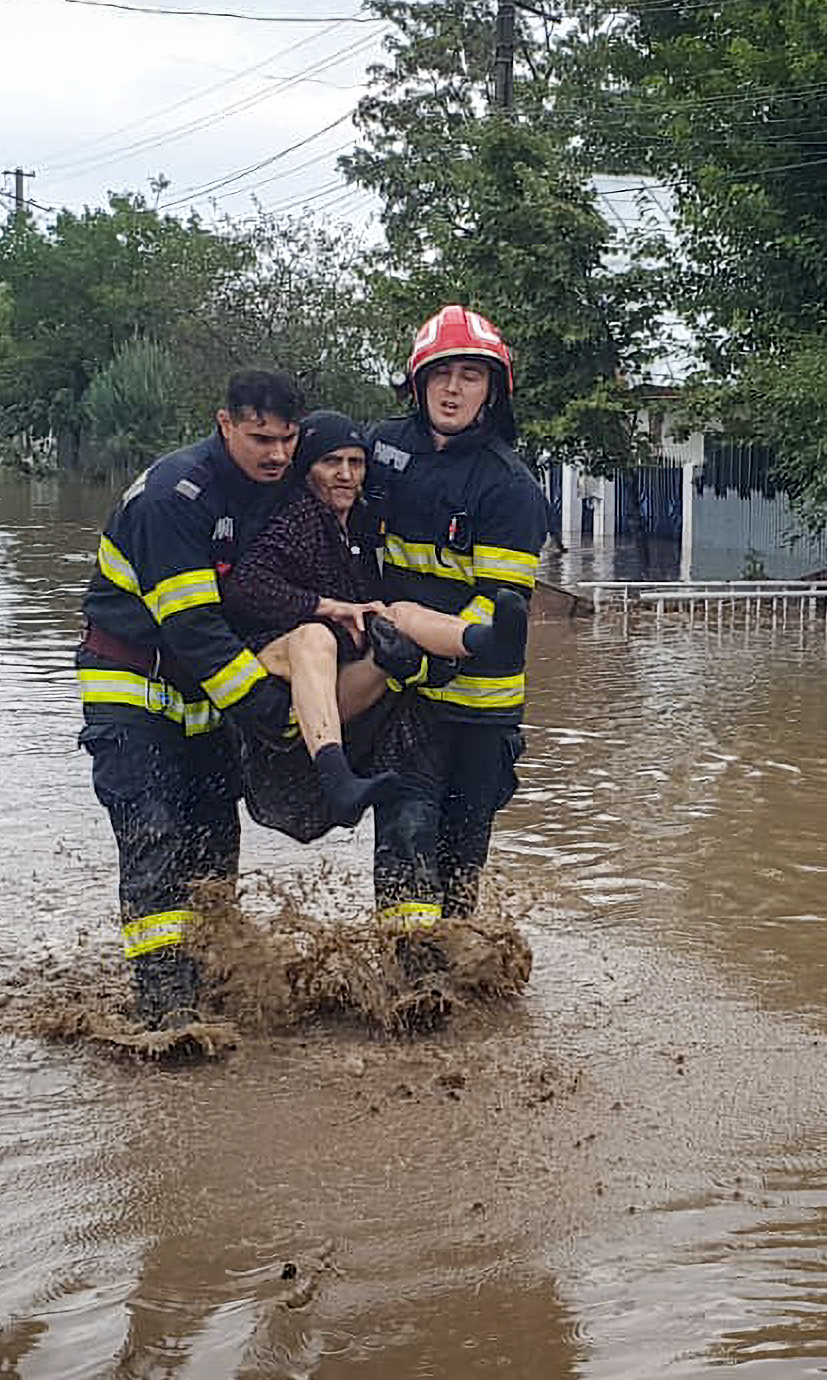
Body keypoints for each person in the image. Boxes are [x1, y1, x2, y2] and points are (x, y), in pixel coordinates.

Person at [77, 369, 304, 1032]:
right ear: (224, 423)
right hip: (132, 688)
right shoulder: (175, 497)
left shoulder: (273, 490)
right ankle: (166, 1009)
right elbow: (195, 629)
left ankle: (213, 981)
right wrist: (270, 711)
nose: (278, 454)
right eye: (262, 437)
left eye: (288, 440)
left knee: (214, 844)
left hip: (204, 698)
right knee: (153, 836)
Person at [363, 306, 549, 1022]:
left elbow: (499, 616)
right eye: (441, 374)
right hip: (404, 701)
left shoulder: (509, 488)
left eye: (470, 375)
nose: (453, 389)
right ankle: (412, 997)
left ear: (492, 390)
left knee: (459, 863)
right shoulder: (378, 450)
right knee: (404, 843)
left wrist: (428, 643)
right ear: (417, 384)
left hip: (482, 710)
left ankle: (456, 976)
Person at [221, 410, 527, 841]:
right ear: (307, 469)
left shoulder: (363, 524)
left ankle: (484, 640)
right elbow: (245, 587)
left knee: (398, 613)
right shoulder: (295, 520)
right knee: (316, 638)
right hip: (279, 674)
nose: (346, 475)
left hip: (340, 680)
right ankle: (337, 778)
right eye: (331, 463)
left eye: (356, 463)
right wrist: (324, 607)